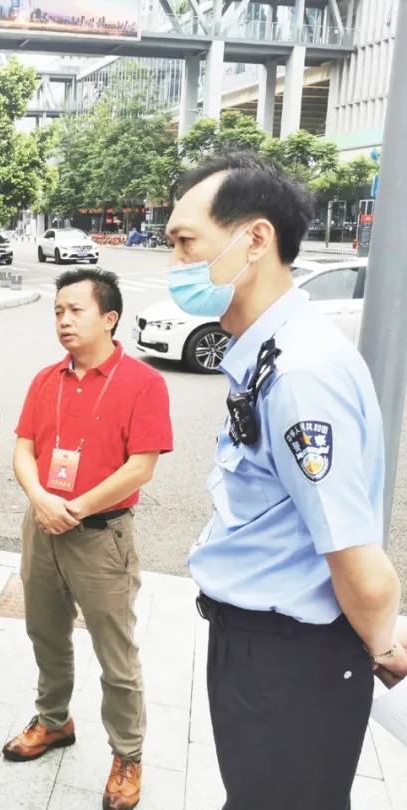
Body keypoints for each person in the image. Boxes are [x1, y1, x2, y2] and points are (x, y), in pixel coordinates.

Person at [171, 152, 407, 809]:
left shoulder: (300, 375)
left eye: (186, 242)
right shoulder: (273, 354)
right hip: (265, 650)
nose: (176, 264)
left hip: (289, 660)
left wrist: (382, 643)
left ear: (255, 239)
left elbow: (357, 559)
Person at [4, 268, 173, 810]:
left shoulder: (143, 383)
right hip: (42, 528)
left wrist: (73, 507)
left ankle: (128, 754)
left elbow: (141, 467)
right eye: (58, 310)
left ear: (110, 317)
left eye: (76, 310)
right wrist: (41, 500)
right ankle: (54, 720)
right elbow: (23, 449)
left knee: (115, 652)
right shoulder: (46, 380)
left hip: (100, 536)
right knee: (45, 634)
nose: (64, 320)